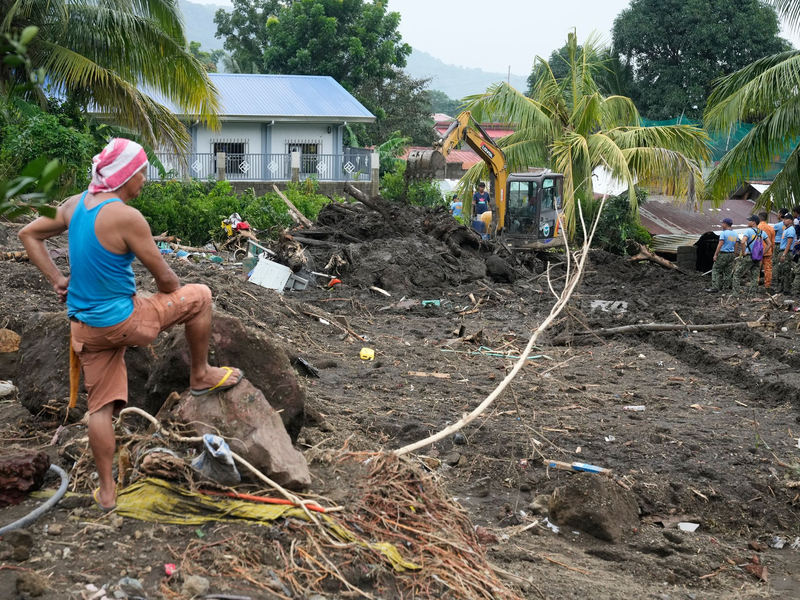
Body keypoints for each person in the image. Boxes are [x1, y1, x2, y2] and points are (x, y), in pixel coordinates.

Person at [18, 138, 243, 512]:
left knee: (100, 411)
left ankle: (107, 492)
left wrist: (60, 280)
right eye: (143, 172)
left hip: (84, 327)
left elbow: (29, 233)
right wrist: (163, 291)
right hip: (125, 322)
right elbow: (168, 281)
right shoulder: (126, 216)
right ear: (128, 174)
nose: (145, 180)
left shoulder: (75, 204)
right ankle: (200, 374)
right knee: (200, 295)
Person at [732, 215, 771, 298]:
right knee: (754, 276)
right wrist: (763, 253)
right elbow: (769, 244)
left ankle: (735, 294)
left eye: (750, 220)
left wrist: (743, 253)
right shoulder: (762, 232)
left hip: (749, 256)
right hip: (757, 257)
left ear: (754, 222)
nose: (748, 222)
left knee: (737, 274)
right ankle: (752, 295)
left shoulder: (748, 231)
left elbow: (743, 242)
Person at [706, 218, 738, 293]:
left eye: (722, 223)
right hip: (731, 254)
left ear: (725, 224)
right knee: (728, 271)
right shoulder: (735, 234)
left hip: (723, 253)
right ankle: (726, 287)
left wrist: (715, 254)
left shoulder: (723, 233)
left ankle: (715, 287)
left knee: (715, 270)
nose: (722, 225)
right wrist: (734, 254)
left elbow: (720, 245)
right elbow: (736, 246)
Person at [776, 214, 796, 294]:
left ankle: (786, 290)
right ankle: (782, 288)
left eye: (786, 219)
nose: (784, 220)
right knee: (781, 271)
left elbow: (789, 243)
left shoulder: (791, 230)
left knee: (786, 271)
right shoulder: (785, 229)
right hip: (782, 251)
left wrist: (784, 254)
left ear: (791, 221)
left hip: (787, 252)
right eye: (784, 219)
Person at [757, 211, 776, 289]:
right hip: (768, 251)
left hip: (758, 252)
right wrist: (772, 251)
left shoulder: (758, 227)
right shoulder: (771, 228)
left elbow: (756, 240)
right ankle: (767, 285)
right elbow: (773, 242)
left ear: (759, 218)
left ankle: (756, 284)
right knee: (768, 269)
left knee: (757, 268)